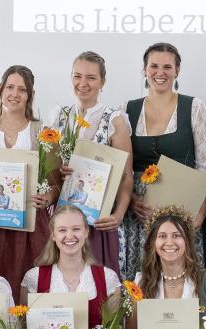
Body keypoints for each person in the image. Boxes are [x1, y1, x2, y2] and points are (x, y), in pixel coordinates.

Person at [121, 42, 206, 281]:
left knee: (181, 275)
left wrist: (201, 211)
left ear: (177, 71)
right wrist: (130, 199)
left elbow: (205, 165)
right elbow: (123, 166)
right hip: (140, 212)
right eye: (153, 66)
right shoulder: (126, 110)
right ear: (144, 70)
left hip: (184, 207)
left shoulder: (194, 107)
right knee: (141, 277)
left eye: (167, 67)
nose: (159, 73)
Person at [0, 65, 54, 301]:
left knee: (26, 283)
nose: (14, 94)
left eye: (22, 89)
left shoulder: (42, 131)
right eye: (10, 87)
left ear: (30, 95)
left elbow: (54, 181)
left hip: (28, 224)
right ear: (0, 89)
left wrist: (47, 198)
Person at [50, 51, 134, 275]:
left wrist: (118, 215)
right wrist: (59, 172)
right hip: (65, 223)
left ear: (102, 82)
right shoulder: (59, 117)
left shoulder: (114, 120)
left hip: (100, 222)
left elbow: (126, 175)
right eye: (77, 76)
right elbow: (50, 176)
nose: (83, 83)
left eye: (91, 77)